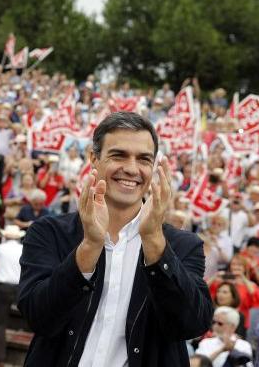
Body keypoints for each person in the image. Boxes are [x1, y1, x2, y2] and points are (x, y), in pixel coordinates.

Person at [18, 112, 212, 366]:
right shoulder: (49, 232)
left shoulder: (183, 246)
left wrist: (154, 242)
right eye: (119, 155)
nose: (131, 169)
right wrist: (89, 247)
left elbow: (191, 323)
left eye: (144, 159)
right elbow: (38, 317)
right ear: (94, 159)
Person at [0, 225, 24, 367]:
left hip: (2, 287)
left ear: (6, 236)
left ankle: (0, 357)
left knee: (0, 323)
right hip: (18, 287)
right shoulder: (23, 249)